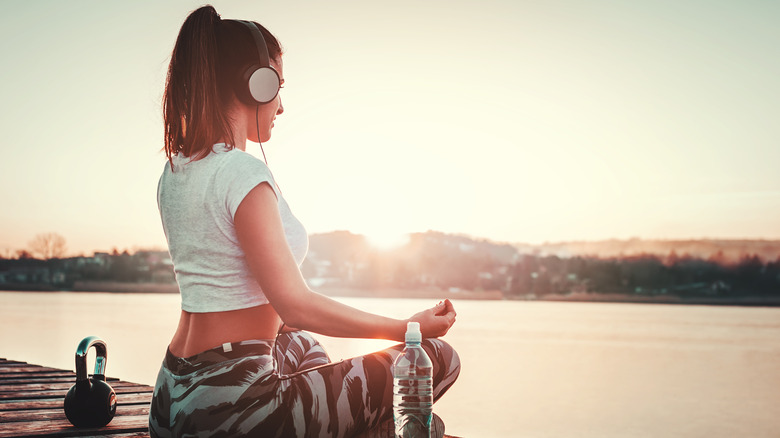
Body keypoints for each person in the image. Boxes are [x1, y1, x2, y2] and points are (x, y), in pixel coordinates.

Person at [148, 5, 460, 437]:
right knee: (440, 357)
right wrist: (409, 328)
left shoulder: (176, 171)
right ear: (256, 85)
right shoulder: (241, 173)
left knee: (301, 344)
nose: (281, 105)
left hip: (172, 398)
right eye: (278, 86)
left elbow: (281, 316)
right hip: (230, 408)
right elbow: (295, 304)